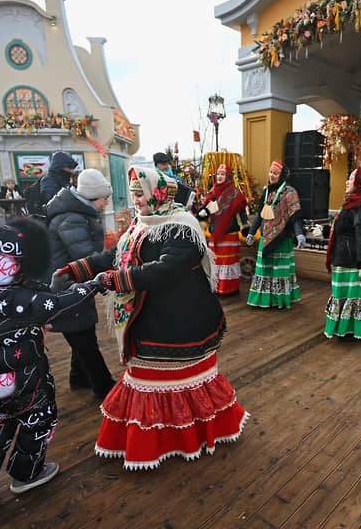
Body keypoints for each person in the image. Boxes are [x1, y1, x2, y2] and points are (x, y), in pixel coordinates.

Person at [52, 166, 248, 470]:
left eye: (140, 192)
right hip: (151, 316)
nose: (136, 199)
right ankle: (167, 438)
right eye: (133, 193)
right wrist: (76, 269)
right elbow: (116, 255)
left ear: (159, 192)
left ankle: (180, 438)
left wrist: (112, 280)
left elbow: (164, 270)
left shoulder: (182, 227)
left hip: (180, 321)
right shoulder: (140, 224)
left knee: (166, 378)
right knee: (146, 376)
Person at [0, 219, 105, 501]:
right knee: (38, 420)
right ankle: (28, 474)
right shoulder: (24, 295)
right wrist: (93, 285)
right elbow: (60, 305)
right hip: (22, 374)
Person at [45, 168, 116, 399]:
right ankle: (103, 386)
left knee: (81, 331)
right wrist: (109, 279)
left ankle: (79, 377)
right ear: (92, 197)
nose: (106, 204)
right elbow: (85, 256)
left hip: (72, 285)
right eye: (105, 198)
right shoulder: (72, 218)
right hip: (67, 288)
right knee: (84, 338)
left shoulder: (76, 214)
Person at [324, 167, 361, 341]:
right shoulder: (354, 203)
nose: (347, 182)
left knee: (353, 298)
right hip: (346, 258)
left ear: (360, 182)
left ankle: (350, 331)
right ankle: (346, 329)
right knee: (346, 297)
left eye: (351, 178)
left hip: (355, 262)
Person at [245, 160, 305, 308]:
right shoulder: (266, 191)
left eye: (275, 173)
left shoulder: (290, 193)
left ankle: (279, 300)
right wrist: (252, 232)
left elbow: (295, 215)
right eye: (271, 172)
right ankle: (264, 300)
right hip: (265, 238)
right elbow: (260, 214)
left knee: (279, 271)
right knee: (265, 270)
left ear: (282, 175)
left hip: (282, 239)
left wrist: (299, 234)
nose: (272, 175)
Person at [198, 164, 249, 295]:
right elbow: (206, 208)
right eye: (218, 174)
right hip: (215, 232)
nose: (219, 177)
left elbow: (241, 211)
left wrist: (246, 225)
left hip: (229, 232)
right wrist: (203, 212)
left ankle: (229, 288)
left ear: (228, 177)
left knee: (228, 261)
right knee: (216, 261)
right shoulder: (213, 191)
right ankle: (216, 287)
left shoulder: (235, 192)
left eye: (222, 174)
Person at [26, 152, 77, 218]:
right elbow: (51, 200)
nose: (71, 171)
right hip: (52, 219)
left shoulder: (63, 180)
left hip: (61, 216)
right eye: (69, 168)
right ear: (60, 166)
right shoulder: (48, 180)